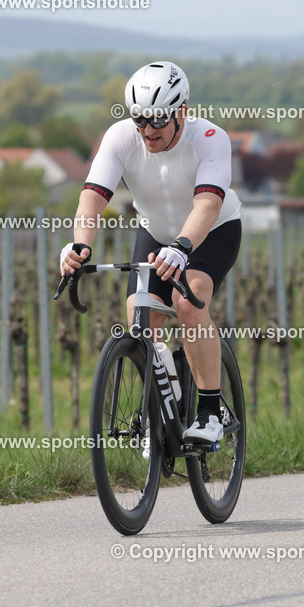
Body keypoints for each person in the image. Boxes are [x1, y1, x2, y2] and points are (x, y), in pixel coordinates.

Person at [59, 61, 242, 442]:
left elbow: (207, 206)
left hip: (213, 231)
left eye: (158, 120)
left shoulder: (210, 137)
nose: (147, 130)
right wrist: (80, 246)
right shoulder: (121, 137)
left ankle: (209, 410)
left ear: (182, 112)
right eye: (140, 119)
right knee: (138, 316)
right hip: (156, 233)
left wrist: (182, 247)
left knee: (188, 304)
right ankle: (166, 404)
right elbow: (91, 199)